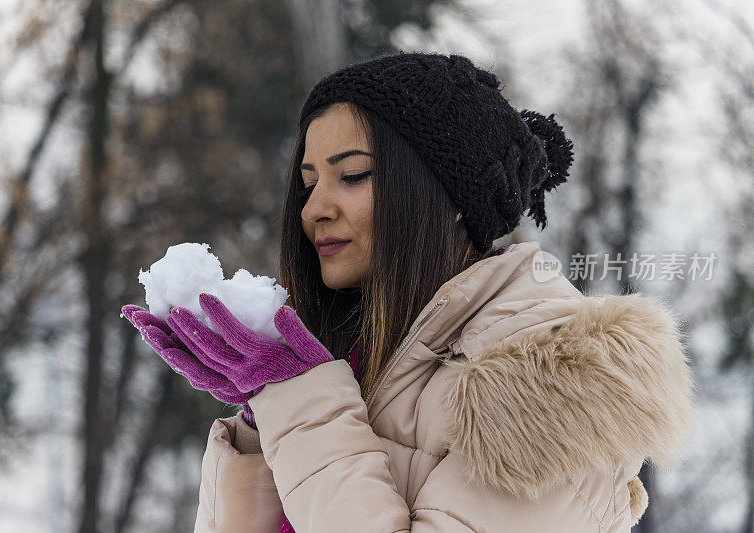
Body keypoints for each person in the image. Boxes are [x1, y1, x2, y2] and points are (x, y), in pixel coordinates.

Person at [123, 52, 695, 532]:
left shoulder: (554, 383)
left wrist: (299, 404)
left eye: (351, 176)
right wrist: (261, 415)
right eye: (307, 183)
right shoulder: (353, 361)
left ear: (449, 198)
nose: (314, 208)